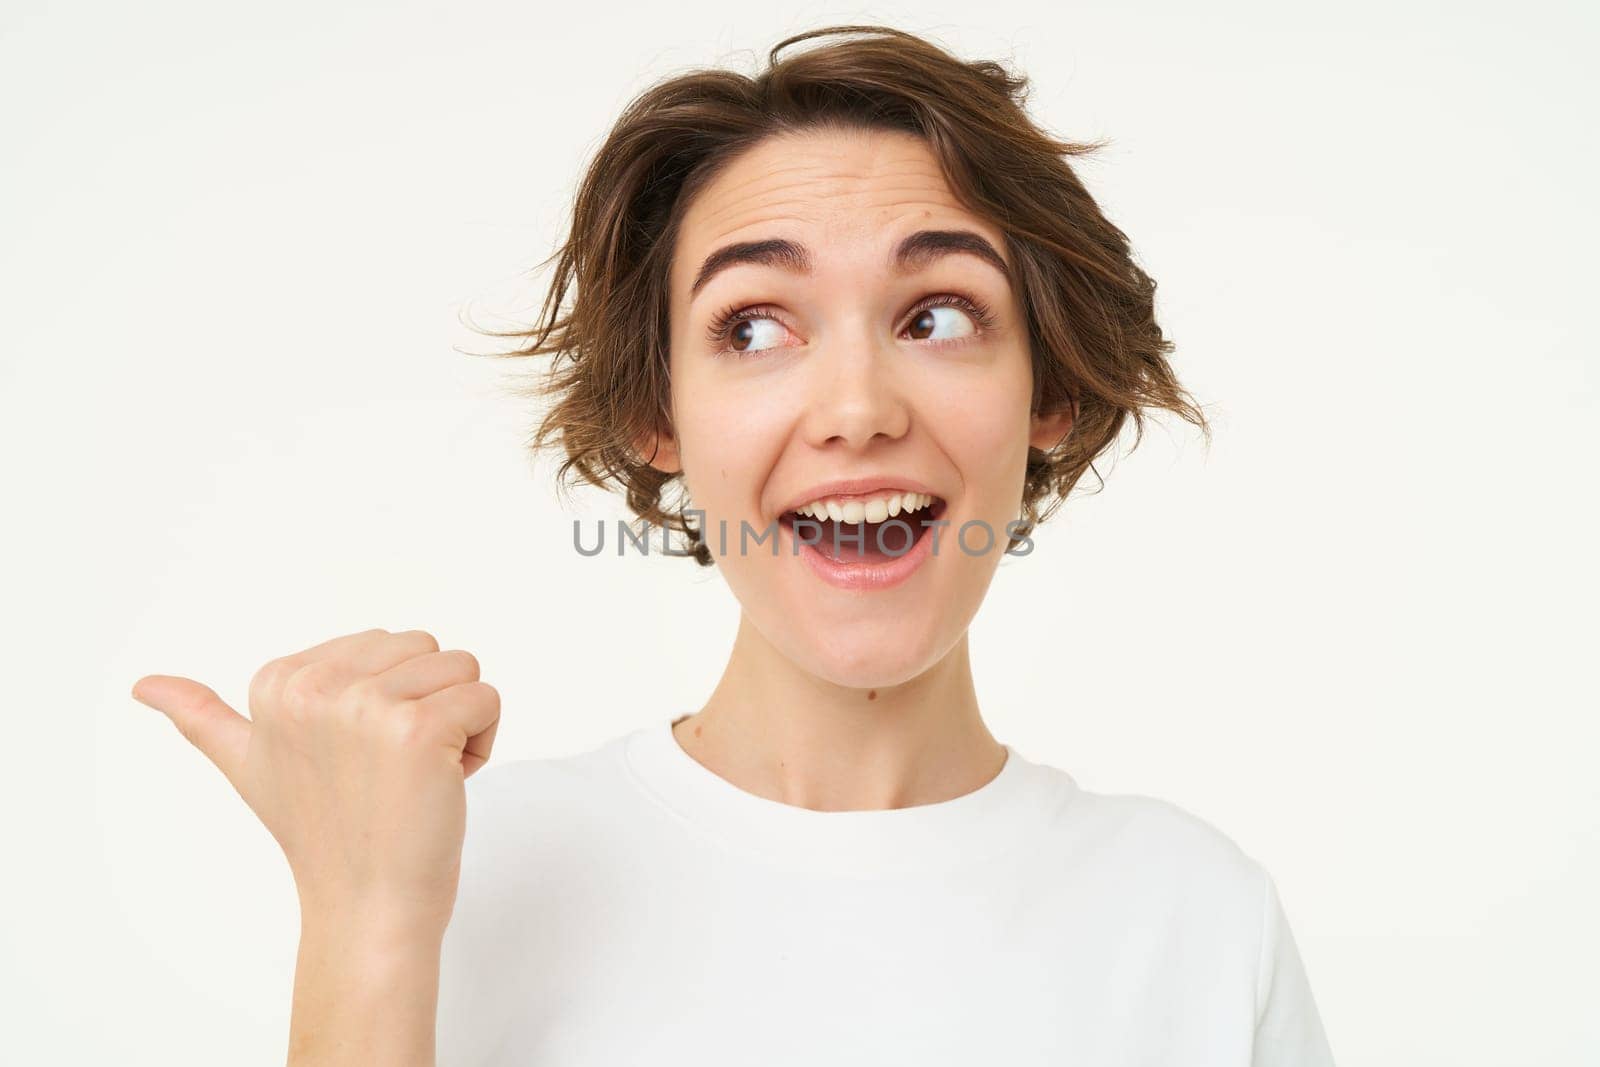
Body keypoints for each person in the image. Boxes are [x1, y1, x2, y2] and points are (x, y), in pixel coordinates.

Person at [131, 24, 1336, 1067]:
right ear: (660, 415)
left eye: (938, 315)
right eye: (754, 324)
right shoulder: (453, 871)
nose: (856, 405)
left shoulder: (1194, 916)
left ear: (1049, 392)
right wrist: (367, 917)